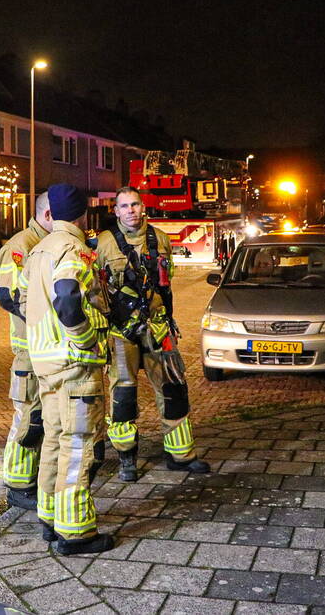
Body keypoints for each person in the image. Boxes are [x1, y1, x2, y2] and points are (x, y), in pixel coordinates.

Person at [18, 184, 113, 555]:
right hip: (75, 364)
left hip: (46, 364)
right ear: (83, 215)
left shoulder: (38, 249)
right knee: (78, 444)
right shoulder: (73, 249)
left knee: (55, 440)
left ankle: (49, 516)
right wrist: (85, 337)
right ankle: (75, 533)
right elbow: (69, 299)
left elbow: (23, 301)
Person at [95, 187, 211, 481]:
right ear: (116, 211)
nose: (131, 210)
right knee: (123, 394)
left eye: (135, 204)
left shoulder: (159, 239)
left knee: (173, 389)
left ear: (142, 207)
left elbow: (165, 284)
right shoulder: (104, 244)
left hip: (158, 327)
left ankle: (181, 455)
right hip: (121, 332)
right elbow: (96, 289)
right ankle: (126, 458)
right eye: (124, 206)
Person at [0, 193, 52, 511]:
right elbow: (7, 295)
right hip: (29, 349)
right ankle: (18, 485)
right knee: (28, 417)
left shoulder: (46, 242)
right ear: (48, 215)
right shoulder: (22, 245)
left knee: (42, 416)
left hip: (44, 348)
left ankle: (32, 477)